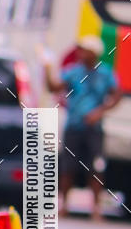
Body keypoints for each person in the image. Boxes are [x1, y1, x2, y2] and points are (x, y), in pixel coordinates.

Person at [44, 35, 122, 219]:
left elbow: (116, 95)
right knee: (68, 167)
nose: (80, 53)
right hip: (74, 126)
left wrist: (100, 112)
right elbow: (54, 87)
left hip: (95, 129)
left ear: (94, 53)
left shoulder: (105, 73)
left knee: (96, 168)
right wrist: (47, 69)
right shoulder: (73, 72)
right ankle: (64, 205)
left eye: (84, 50)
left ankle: (96, 209)